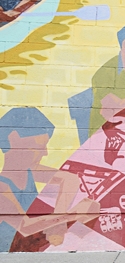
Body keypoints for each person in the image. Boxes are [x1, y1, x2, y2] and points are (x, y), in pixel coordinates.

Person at [0, 107, 100, 251]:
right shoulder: (2, 187)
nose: (45, 152)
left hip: (30, 249)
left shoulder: (30, 171)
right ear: (14, 140)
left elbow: (69, 179)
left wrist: (58, 220)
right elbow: (25, 227)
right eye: (38, 147)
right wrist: (70, 216)